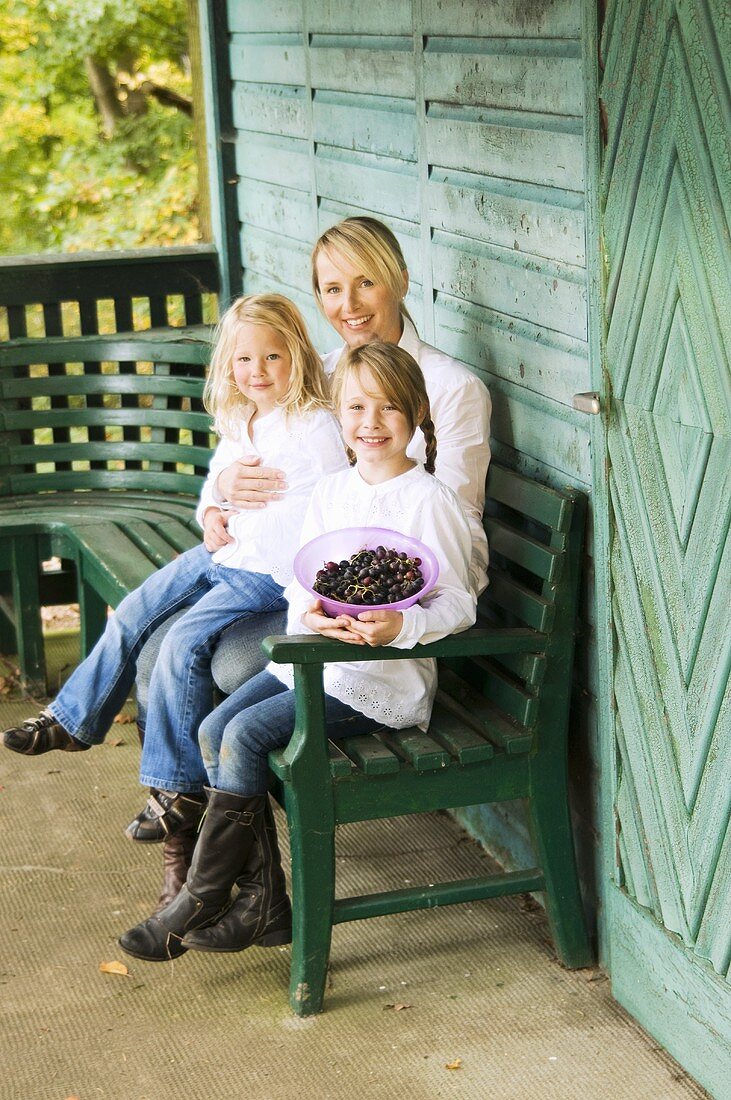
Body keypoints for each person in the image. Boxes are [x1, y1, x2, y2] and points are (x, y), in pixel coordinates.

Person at [128, 215, 492, 908]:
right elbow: (251, 446)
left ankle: (232, 892)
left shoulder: (448, 387)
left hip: (393, 605)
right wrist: (218, 497)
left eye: (365, 283)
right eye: (331, 288)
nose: (348, 304)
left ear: (401, 281)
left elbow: (455, 533)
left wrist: (390, 604)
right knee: (156, 651)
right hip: (301, 582)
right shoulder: (318, 374)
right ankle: (198, 869)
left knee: (225, 669)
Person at [2, 295, 349, 872]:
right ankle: (70, 719)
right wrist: (212, 510)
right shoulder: (242, 417)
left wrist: (261, 535)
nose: (257, 371)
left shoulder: (313, 426)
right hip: (224, 550)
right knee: (135, 610)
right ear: (227, 363)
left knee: (183, 642)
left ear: (299, 356)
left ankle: (176, 788)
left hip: (266, 571)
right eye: (244, 359)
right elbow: (216, 483)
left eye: (272, 357)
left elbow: (336, 504)